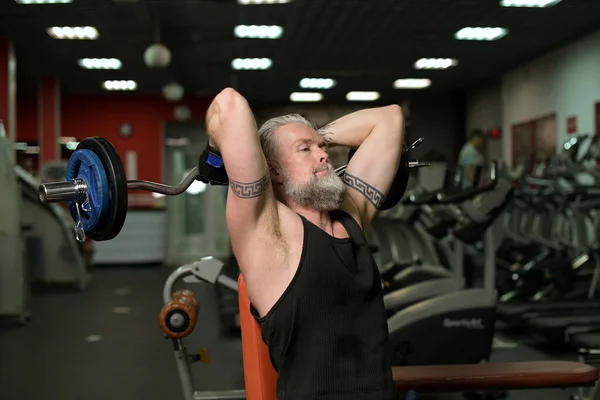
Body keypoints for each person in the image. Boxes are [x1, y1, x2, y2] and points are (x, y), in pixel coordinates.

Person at [205, 88, 404, 400]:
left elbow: (389, 119)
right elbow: (229, 104)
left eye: (322, 147)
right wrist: (218, 152)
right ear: (273, 170)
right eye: (305, 150)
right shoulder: (268, 234)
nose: (324, 154)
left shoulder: (351, 217)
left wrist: (311, 136)